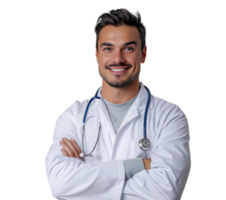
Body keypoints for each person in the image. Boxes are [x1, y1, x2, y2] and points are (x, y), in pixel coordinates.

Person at [44, 8, 192, 200]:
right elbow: (59, 185)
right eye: (108, 48)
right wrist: (137, 165)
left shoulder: (170, 116)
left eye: (128, 48)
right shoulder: (73, 116)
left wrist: (84, 178)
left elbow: (166, 191)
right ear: (96, 55)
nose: (118, 59)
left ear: (144, 54)